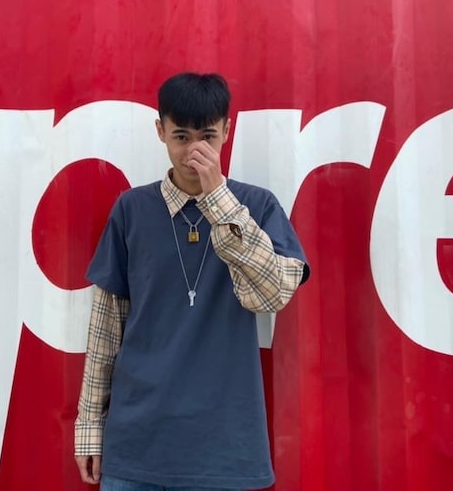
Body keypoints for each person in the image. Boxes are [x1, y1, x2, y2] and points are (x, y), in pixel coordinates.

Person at [74, 72, 309, 491]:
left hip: (223, 449)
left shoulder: (257, 206)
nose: (194, 151)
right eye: (181, 137)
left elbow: (272, 293)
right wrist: (90, 424)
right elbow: (106, 326)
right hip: (136, 445)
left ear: (227, 131)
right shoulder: (132, 209)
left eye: (208, 137)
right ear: (160, 131)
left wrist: (218, 199)